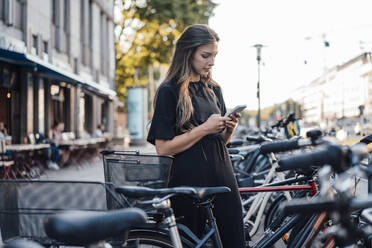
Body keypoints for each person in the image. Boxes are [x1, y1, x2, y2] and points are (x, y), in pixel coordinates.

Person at [147, 24, 245, 247]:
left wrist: (228, 128)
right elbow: (163, 148)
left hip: (222, 175)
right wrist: (203, 129)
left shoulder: (213, 88)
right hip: (189, 181)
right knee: (192, 241)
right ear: (187, 53)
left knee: (233, 239)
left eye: (215, 56)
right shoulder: (169, 90)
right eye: (205, 55)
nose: (211, 62)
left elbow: (218, 143)